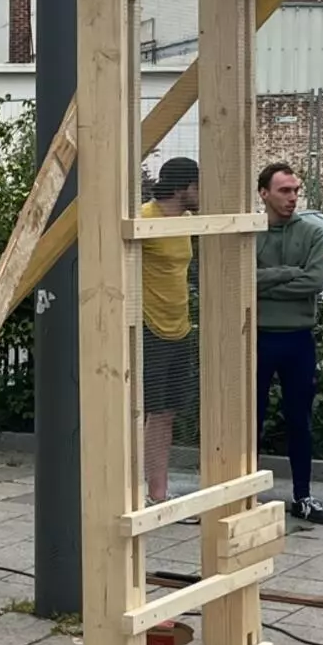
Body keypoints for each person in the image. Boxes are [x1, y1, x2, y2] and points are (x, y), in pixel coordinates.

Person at [255, 162, 323, 525]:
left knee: (299, 419)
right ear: (264, 193)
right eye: (284, 191)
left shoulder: (313, 234)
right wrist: (288, 272)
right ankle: (246, 496)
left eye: (295, 190)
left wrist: (266, 282)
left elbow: (314, 281)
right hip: (257, 336)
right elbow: (241, 280)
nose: (292, 198)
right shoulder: (251, 232)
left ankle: (302, 495)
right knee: (250, 420)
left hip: (298, 338)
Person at [139, 156, 200, 505]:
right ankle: (142, 489)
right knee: (147, 410)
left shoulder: (190, 221)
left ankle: (159, 492)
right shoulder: (146, 218)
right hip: (151, 325)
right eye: (197, 185)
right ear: (182, 187)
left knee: (167, 412)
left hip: (180, 325)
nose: (200, 192)